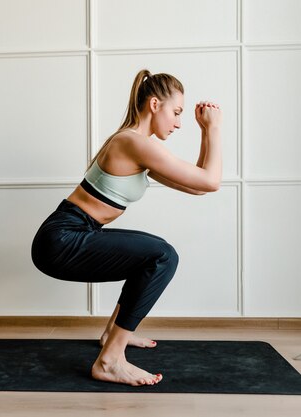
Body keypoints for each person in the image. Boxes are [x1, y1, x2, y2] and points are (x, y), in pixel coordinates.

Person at [31, 69, 223, 387]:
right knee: (163, 255)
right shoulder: (133, 143)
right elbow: (211, 181)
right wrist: (214, 128)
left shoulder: (137, 146)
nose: (178, 122)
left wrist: (205, 132)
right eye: (176, 112)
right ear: (154, 104)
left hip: (74, 233)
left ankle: (113, 334)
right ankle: (109, 361)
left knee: (154, 254)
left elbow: (200, 186)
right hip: (63, 238)